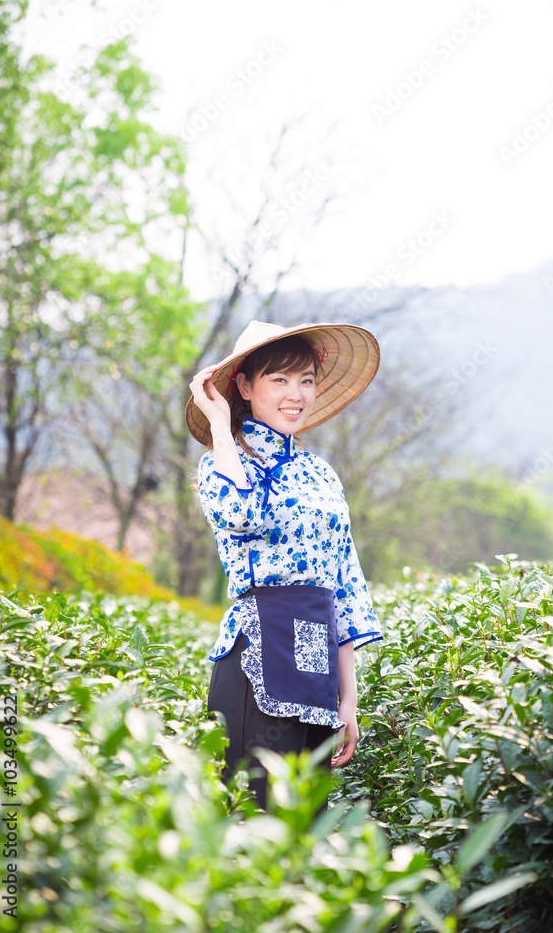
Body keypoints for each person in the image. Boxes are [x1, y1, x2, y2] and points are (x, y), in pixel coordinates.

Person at [185, 319, 383, 809]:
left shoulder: (321, 475)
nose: (296, 394)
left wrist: (349, 702)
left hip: (318, 665)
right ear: (245, 388)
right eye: (279, 380)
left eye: (306, 380)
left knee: (304, 832)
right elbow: (240, 513)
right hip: (256, 659)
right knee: (256, 822)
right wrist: (218, 422)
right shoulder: (222, 464)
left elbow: (344, 586)